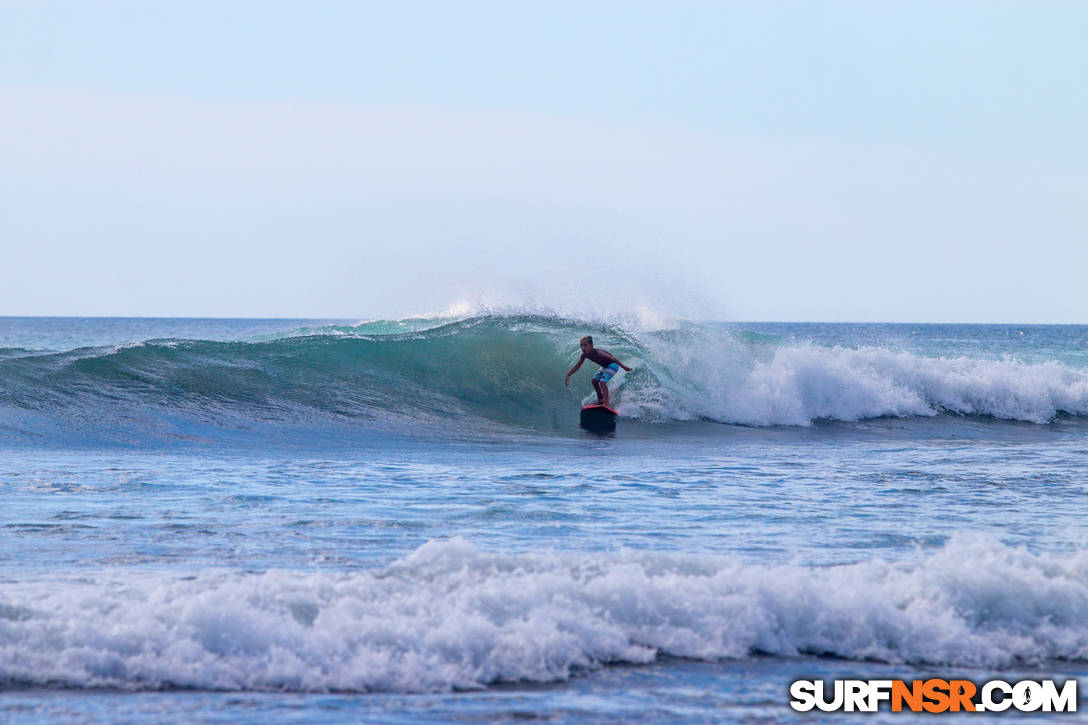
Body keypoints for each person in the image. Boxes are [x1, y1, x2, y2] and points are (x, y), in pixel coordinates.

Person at [564, 335, 632, 408]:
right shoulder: (584, 355)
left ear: (591, 345)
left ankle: (607, 404)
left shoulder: (599, 353)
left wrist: (624, 367)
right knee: (594, 381)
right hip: (605, 367)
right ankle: (600, 399)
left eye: (585, 345)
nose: (583, 347)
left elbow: (613, 358)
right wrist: (568, 375)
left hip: (612, 365)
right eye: (581, 345)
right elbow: (578, 366)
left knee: (602, 382)